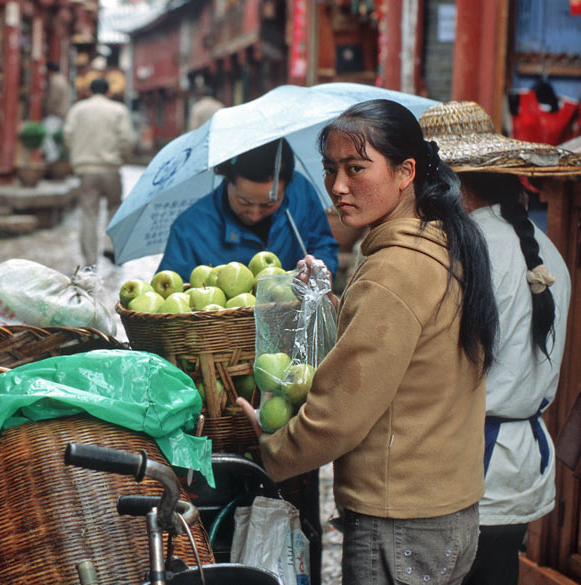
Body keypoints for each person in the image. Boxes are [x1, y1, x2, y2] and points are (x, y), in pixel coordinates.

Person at [238, 99, 499, 585]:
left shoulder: (393, 270)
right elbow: (408, 356)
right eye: (331, 170)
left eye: (357, 169)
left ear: (405, 172)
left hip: (402, 519)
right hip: (447, 510)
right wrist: (334, 306)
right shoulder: (440, 242)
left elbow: (340, 413)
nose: (338, 187)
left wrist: (272, 447)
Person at [420, 101, 572, 585]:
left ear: (449, 183)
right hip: (521, 466)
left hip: (464, 466)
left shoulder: (457, 251)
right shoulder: (546, 250)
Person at [157, 138, 339, 279]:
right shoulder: (189, 229)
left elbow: (323, 244)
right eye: (243, 201)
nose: (254, 214)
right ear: (227, 179)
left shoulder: (301, 192)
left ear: (288, 184)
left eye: (268, 204)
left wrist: (319, 270)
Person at [64, 77, 135, 266]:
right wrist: (121, 157)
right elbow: (127, 139)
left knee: (89, 214)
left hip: (86, 169)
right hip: (111, 169)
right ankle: (111, 249)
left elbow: (68, 135)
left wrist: (77, 153)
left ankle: (89, 260)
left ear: (89, 91)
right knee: (114, 210)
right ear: (108, 92)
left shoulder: (77, 110)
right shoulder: (119, 110)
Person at [42, 63, 70, 162]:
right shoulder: (62, 79)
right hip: (61, 113)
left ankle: (53, 158)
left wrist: (46, 109)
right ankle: (56, 157)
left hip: (55, 113)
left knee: (45, 134)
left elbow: (53, 99)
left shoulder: (55, 81)